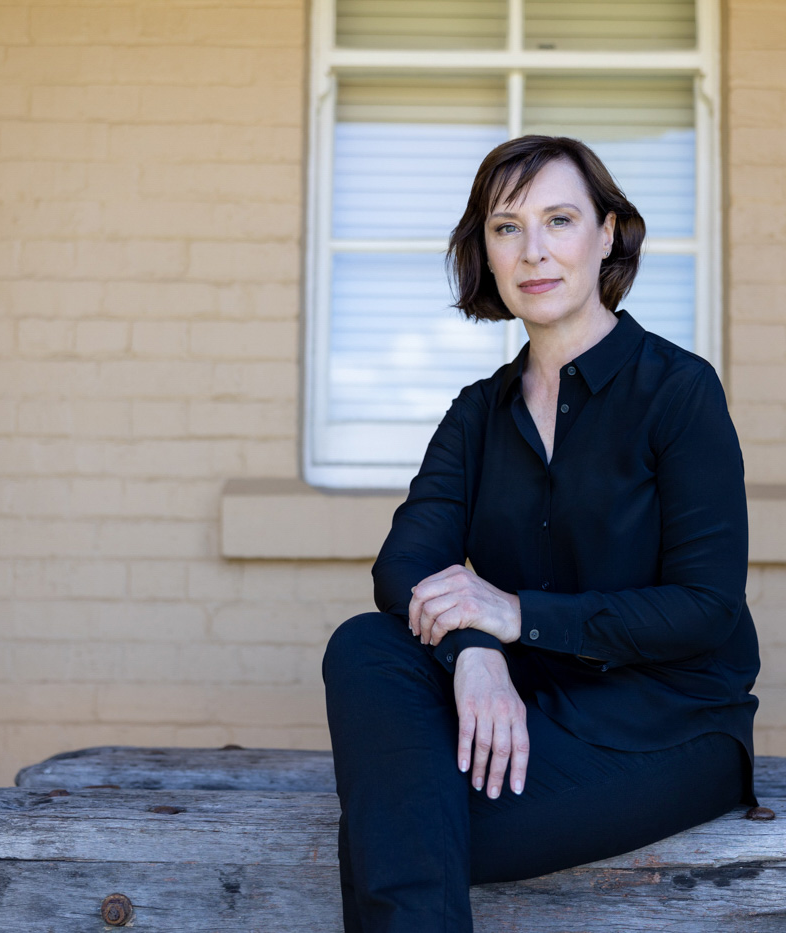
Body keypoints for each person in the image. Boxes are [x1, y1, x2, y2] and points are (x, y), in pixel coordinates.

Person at [321, 134, 761, 933]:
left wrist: (517, 615)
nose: (534, 251)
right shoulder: (477, 414)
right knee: (363, 645)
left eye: (559, 220)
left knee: (395, 822)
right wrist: (476, 650)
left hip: (663, 727)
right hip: (523, 709)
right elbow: (405, 567)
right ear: (484, 251)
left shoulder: (680, 392)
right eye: (506, 226)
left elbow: (706, 607)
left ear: (609, 235)